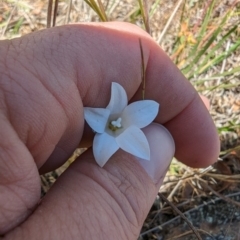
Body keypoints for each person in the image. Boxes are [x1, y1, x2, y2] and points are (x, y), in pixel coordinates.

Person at [0, 22, 219, 239]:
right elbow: (111, 114)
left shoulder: (136, 117)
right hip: (105, 128)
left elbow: (142, 122)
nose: (116, 125)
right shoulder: (110, 110)